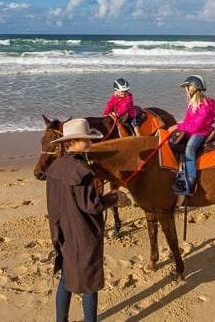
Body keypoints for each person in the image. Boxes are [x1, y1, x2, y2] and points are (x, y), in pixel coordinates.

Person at [45, 118, 132, 322]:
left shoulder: (54, 167)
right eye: (86, 139)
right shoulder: (82, 171)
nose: (90, 143)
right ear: (73, 142)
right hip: (83, 234)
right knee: (90, 284)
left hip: (62, 232)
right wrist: (115, 197)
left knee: (66, 278)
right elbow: (92, 205)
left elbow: (54, 203)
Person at [169, 75, 215, 195]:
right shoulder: (192, 104)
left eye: (187, 87)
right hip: (190, 130)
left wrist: (177, 126)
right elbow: (188, 121)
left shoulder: (205, 105)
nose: (186, 90)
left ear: (195, 88)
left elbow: (196, 126)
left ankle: (191, 180)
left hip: (201, 132)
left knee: (189, 149)